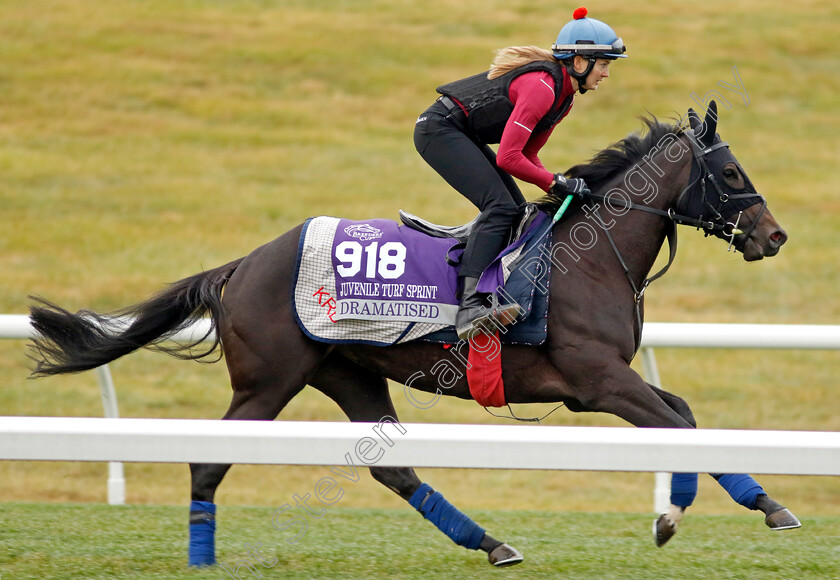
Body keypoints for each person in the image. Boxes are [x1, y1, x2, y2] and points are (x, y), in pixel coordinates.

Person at [413, 7, 627, 341]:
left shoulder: (564, 98)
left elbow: (528, 154)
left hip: (459, 131)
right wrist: (556, 182)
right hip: (437, 130)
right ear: (580, 62)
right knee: (500, 207)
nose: (606, 73)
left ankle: (486, 287)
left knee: (517, 212)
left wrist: (559, 186)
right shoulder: (542, 87)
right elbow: (509, 157)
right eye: (603, 64)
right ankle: (470, 306)